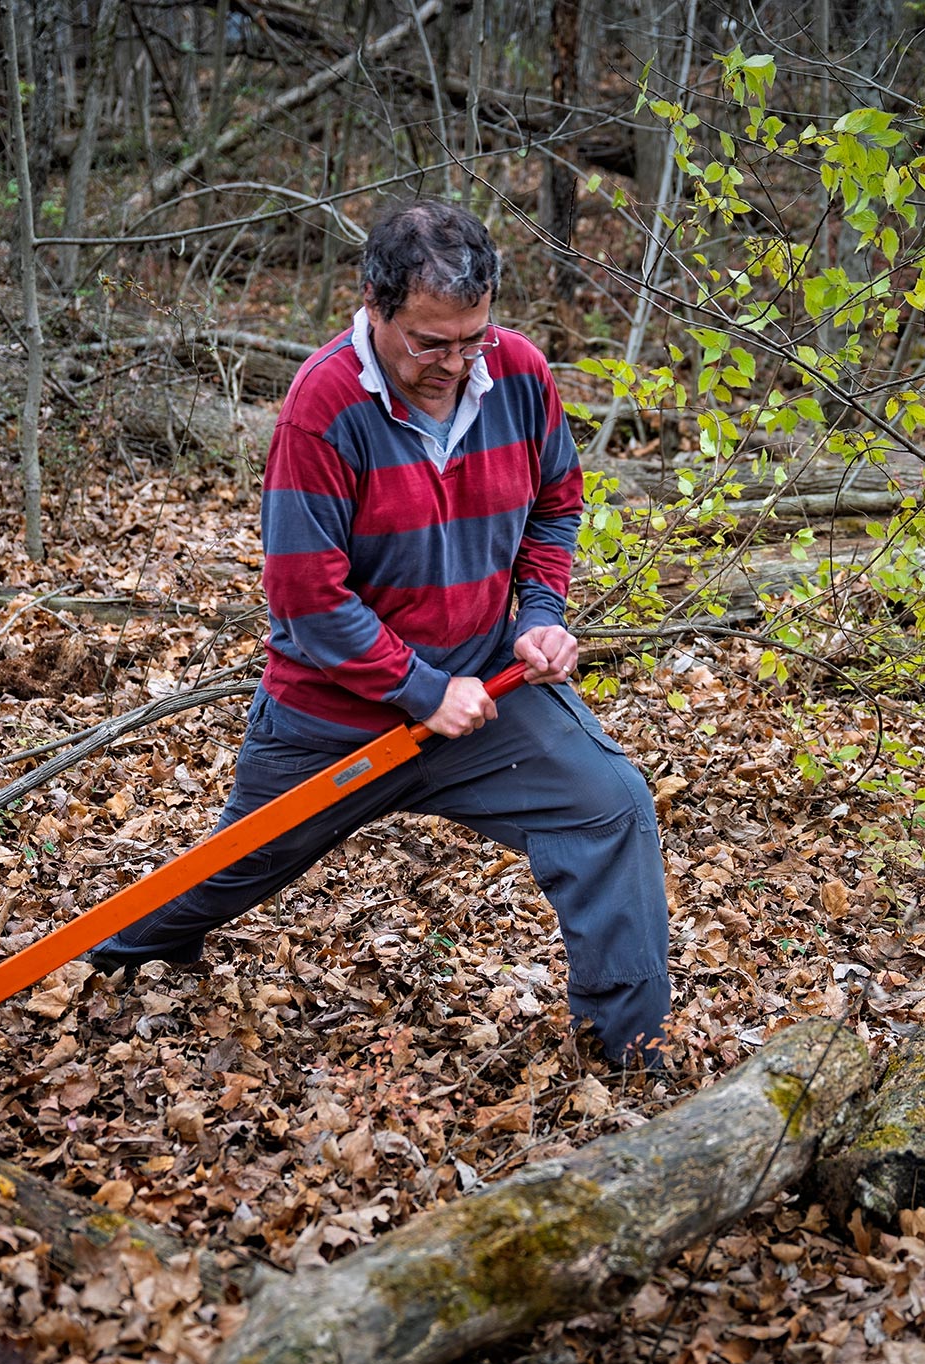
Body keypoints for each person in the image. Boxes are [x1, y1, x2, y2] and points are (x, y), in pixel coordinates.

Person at [88, 201, 672, 1065]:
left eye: (471, 338)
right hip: (335, 715)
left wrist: (540, 615)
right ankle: (121, 955)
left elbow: (556, 506)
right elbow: (306, 598)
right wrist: (421, 691)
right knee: (228, 872)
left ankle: (632, 1051)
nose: (452, 365)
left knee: (610, 805)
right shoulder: (321, 408)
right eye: (429, 343)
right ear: (373, 303)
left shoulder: (517, 375)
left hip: (484, 694)